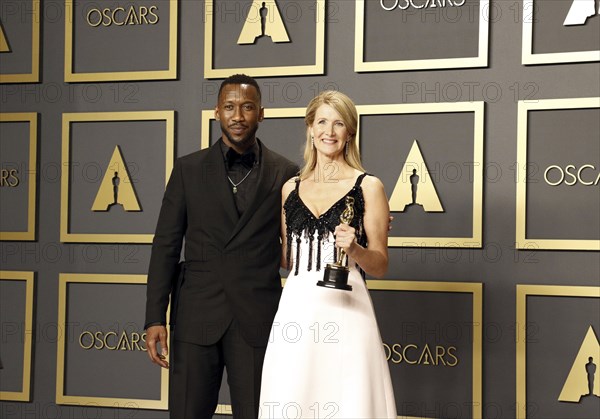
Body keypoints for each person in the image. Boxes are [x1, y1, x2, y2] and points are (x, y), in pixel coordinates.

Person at [144, 74, 299, 418]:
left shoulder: (286, 172)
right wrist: (155, 317)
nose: (237, 116)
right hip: (197, 314)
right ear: (217, 112)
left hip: (257, 317)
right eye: (229, 107)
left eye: (247, 107)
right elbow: (166, 245)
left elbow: (297, 242)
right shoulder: (188, 169)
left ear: (262, 113)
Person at [259, 91, 397, 418]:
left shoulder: (368, 186)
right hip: (297, 310)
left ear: (350, 133)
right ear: (309, 127)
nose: (329, 132)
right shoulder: (290, 188)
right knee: (294, 394)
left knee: (349, 398)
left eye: (338, 124)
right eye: (321, 121)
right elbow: (286, 259)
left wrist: (355, 249)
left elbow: (380, 265)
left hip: (347, 311)